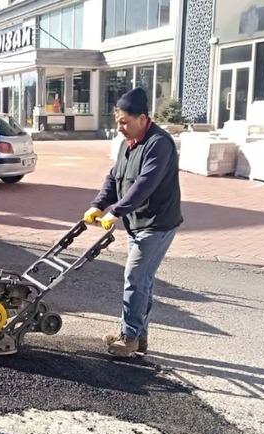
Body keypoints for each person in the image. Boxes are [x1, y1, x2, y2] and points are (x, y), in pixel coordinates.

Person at [83, 87, 182, 357]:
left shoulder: (158, 144)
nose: (121, 128)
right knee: (142, 280)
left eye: (125, 122)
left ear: (142, 118)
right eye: (118, 123)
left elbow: (144, 185)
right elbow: (114, 178)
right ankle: (137, 335)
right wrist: (97, 204)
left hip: (157, 222)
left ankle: (129, 338)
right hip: (137, 222)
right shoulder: (128, 144)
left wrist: (115, 211)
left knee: (135, 277)